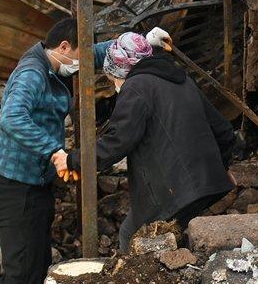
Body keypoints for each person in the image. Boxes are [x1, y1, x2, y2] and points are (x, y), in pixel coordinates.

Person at [0, 18, 112, 284]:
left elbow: (95, 53)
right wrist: (54, 151)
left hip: (35, 187)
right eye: (77, 56)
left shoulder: (55, 61)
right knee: (19, 279)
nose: (81, 65)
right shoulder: (32, 74)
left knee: (36, 272)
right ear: (64, 47)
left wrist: (143, 41)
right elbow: (11, 118)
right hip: (16, 190)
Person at [60, 29, 237, 251]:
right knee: (173, 237)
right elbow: (223, 129)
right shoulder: (179, 78)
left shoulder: (136, 87)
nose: (113, 83)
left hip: (176, 187)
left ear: (120, 70)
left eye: (112, 77)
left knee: (130, 235)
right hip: (207, 181)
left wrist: (72, 160)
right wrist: (223, 165)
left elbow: (118, 141)